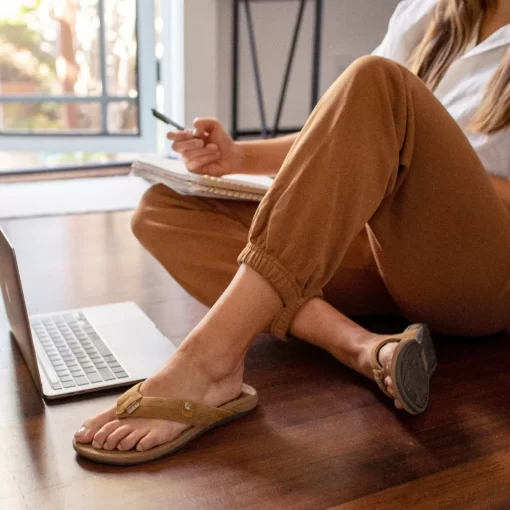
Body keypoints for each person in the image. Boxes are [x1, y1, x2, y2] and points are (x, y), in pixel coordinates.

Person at [74, 0, 510, 464]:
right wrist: (238, 158)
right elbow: (355, 128)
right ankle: (362, 348)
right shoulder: (429, 11)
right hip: (382, 248)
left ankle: (208, 361)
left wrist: (411, 162)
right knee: (162, 209)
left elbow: (384, 117)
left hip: (478, 269)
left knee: (378, 80)